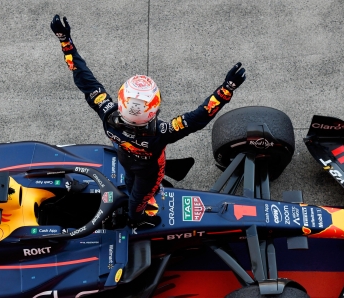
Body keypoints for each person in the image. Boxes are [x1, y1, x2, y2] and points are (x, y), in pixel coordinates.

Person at [50, 15, 246, 228]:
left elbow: (83, 77)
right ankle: (137, 220)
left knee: (130, 180)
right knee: (139, 200)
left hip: (125, 159)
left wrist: (65, 40)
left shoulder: (106, 113)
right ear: (153, 109)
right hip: (150, 172)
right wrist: (226, 90)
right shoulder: (163, 131)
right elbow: (200, 117)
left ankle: (130, 193)